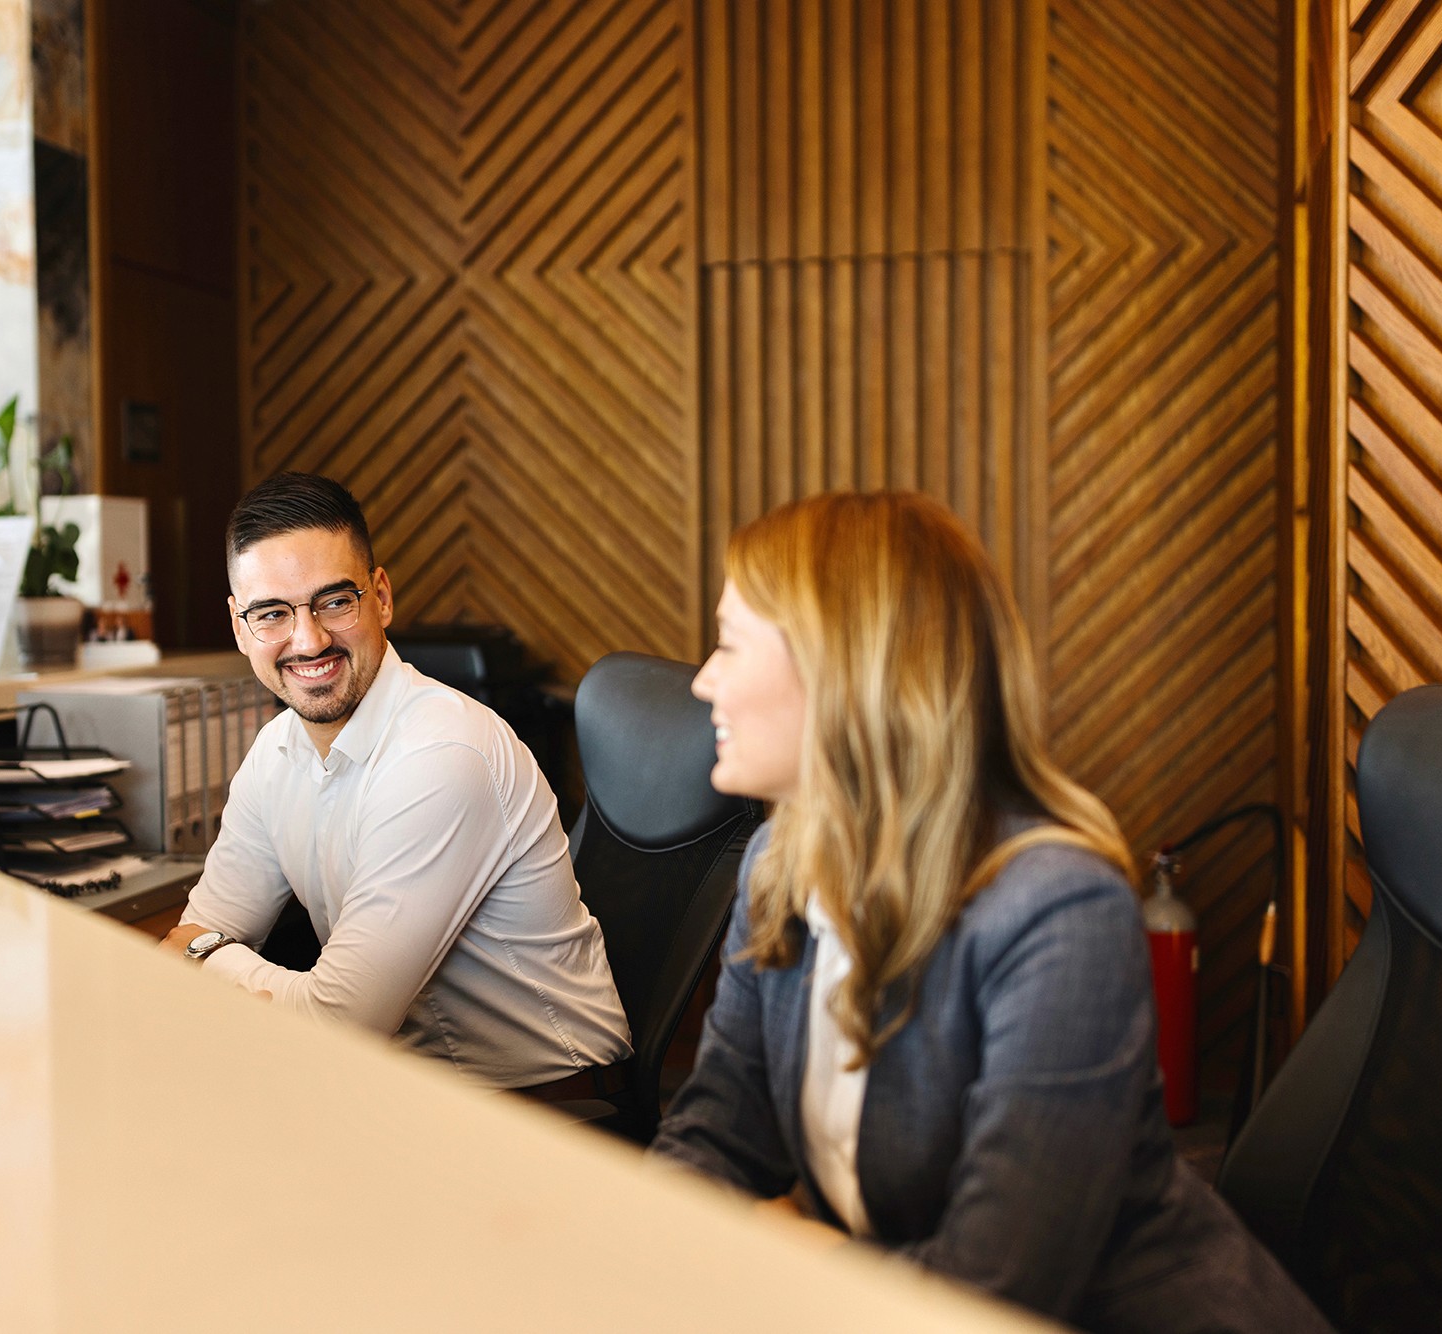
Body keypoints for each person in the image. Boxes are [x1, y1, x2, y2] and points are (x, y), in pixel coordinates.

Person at [648, 492, 1329, 1332]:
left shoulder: (1056, 911)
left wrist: (801, 1253)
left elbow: (1001, 1288)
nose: (702, 680)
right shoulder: (777, 870)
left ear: (845, 671)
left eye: (727, 644)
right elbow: (714, 1136)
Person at [162, 472, 631, 1092]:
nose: (309, 640)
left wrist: (205, 956)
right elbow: (186, 944)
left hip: (552, 1107)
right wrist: (200, 954)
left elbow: (334, 1024)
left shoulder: (441, 756)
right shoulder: (276, 754)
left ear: (380, 596)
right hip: (410, 1091)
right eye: (272, 613)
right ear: (238, 626)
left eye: (335, 601)